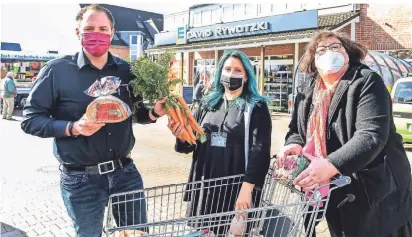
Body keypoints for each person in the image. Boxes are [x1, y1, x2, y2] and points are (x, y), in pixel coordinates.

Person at [21, 4, 166, 237]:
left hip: (125, 174)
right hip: (80, 180)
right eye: (89, 28)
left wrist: (154, 113)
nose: (96, 33)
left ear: (111, 32)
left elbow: (134, 112)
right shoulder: (57, 71)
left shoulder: (127, 71)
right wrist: (72, 128)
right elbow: (30, 119)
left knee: (138, 235)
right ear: (78, 32)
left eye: (102, 28)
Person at [277, 31, 412, 237]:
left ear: (348, 53)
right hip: (336, 191)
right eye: (321, 50)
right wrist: (293, 144)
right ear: (313, 60)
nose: (328, 53)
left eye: (335, 47)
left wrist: (331, 165)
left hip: (376, 191)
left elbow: (371, 135)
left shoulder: (366, 81)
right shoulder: (307, 91)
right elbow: (296, 129)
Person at [168, 49, 272, 234]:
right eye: (227, 68)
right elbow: (194, 143)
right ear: (220, 72)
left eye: (238, 70)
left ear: (246, 76)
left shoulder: (255, 107)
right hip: (205, 187)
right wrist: (181, 134)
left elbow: (260, 150)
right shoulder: (208, 104)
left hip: (235, 189)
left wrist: (247, 190)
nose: (231, 74)